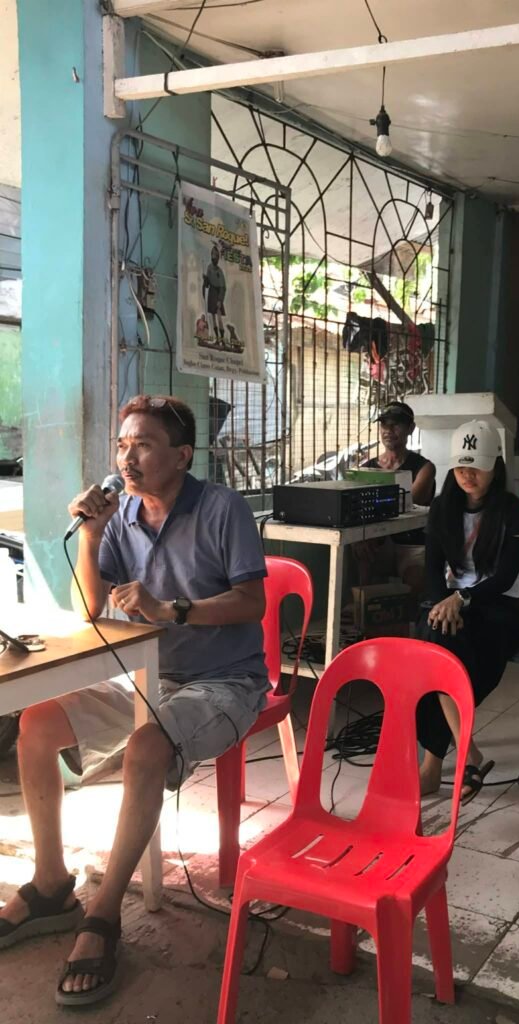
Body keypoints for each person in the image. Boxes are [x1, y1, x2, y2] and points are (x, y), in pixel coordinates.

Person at [0, 395, 270, 1006]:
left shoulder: (222, 508)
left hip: (225, 679)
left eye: (143, 445)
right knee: (37, 723)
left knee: (148, 748)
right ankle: (51, 885)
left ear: (182, 455)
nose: (128, 458)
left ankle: (103, 914)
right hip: (144, 674)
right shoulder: (121, 515)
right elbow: (88, 609)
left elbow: (252, 603)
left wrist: (173, 610)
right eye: (122, 445)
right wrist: (93, 536)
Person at [417, 419, 519, 803]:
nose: (467, 475)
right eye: (461, 466)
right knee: (435, 637)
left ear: (495, 466)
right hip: (451, 603)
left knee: (445, 649)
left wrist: (461, 600)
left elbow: (504, 577)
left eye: (477, 467)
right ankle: (467, 755)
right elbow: (432, 570)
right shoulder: (442, 507)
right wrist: (441, 604)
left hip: (499, 606)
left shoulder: (514, 512)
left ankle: (434, 767)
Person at [355, 401, 436, 595]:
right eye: (384, 424)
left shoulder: (424, 467)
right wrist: (361, 537)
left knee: (416, 579)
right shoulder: (366, 468)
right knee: (360, 550)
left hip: (412, 543)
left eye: (396, 424)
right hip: (378, 542)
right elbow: (356, 508)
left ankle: (412, 614)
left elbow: (408, 503)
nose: (388, 430)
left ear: (411, 428)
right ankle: (360, 608)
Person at [203, 244, 227, 345]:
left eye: (215, 255)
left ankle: (222, 339)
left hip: (217, 294)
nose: (214, 257)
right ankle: (217, 339)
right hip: (211, 293)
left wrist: (220, 300)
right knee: (213, 317)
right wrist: (205, 279)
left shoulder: (219, 271)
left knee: (219, 317)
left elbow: (223, 287)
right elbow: (207, 284)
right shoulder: (209, 268)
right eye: (212, 255)